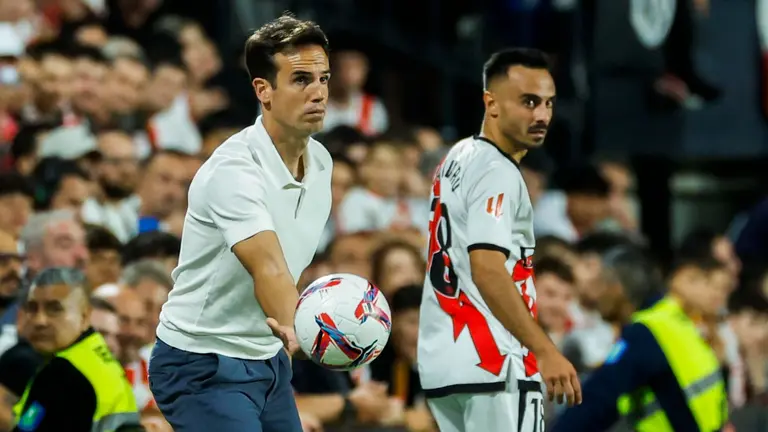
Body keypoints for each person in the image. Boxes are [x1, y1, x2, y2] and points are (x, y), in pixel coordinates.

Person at [148, 14, 333, 431]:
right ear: (263, 90)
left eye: (324, 78)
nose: (318, 92)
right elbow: (266, 265)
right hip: (200, 361)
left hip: (266, 358)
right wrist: (300, 327)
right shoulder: (234, 169)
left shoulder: (321, 162)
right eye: (301, 79)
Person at [417, 48, 581, 432]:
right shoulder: (498, 172)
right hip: (495, 363)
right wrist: (544, 350)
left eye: (548, 103)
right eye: (528, 102)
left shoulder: (457, 156)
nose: (541, 115)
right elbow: (488, 269)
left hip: (446, 363)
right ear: (490, 102)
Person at [551, 252, 729, 431]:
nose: (597, 295)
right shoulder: (672, 316)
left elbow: (597, 400)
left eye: (601, 284)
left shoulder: (643, 335)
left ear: (616, 288)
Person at [12, 268, 139, 431]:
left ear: (85, 317)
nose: (39, 321)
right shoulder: (100, 360)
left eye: (54, 309)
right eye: (32, 308)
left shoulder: (61, 374)